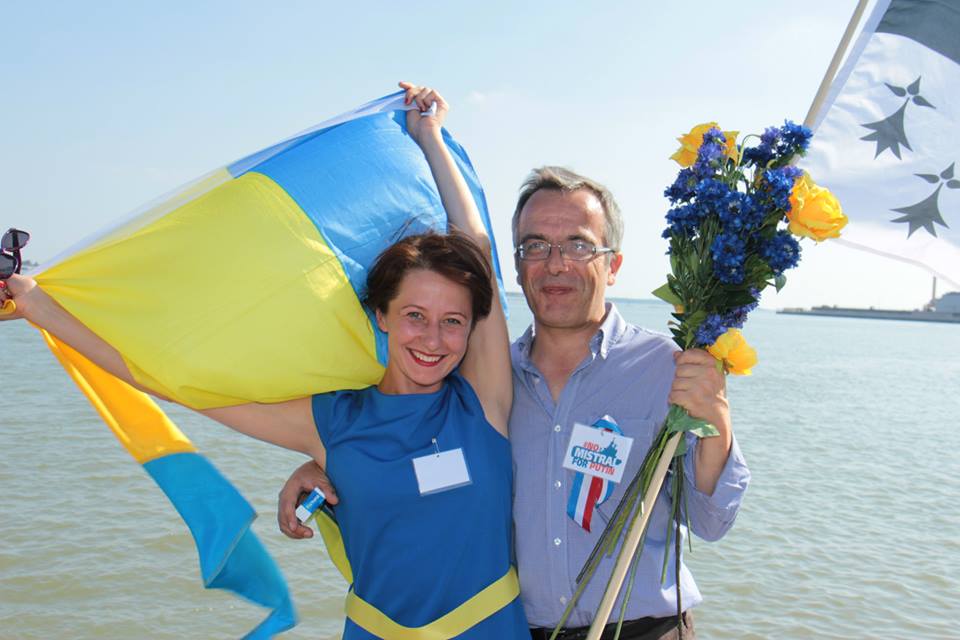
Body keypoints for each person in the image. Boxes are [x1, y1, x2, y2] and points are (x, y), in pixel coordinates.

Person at [0, 83, 530, 639]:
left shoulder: (484, 400)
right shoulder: (330, 422)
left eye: (453, 321)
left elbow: (476, 246)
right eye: (415, 315)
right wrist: (39, 307)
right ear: (381, 315)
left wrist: (430, 138)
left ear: (471, 327)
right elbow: (171, 379)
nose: (433, 339)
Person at [279, 166, 751, 639]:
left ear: (614, 265)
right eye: (535, 246)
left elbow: (711, 522)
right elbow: (410, 459)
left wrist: (717, 420)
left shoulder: (668, 368)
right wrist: (328, 466)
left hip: (645, 629)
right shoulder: (479, 386)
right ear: (519, 267)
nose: (556, 264)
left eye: (578, 245)